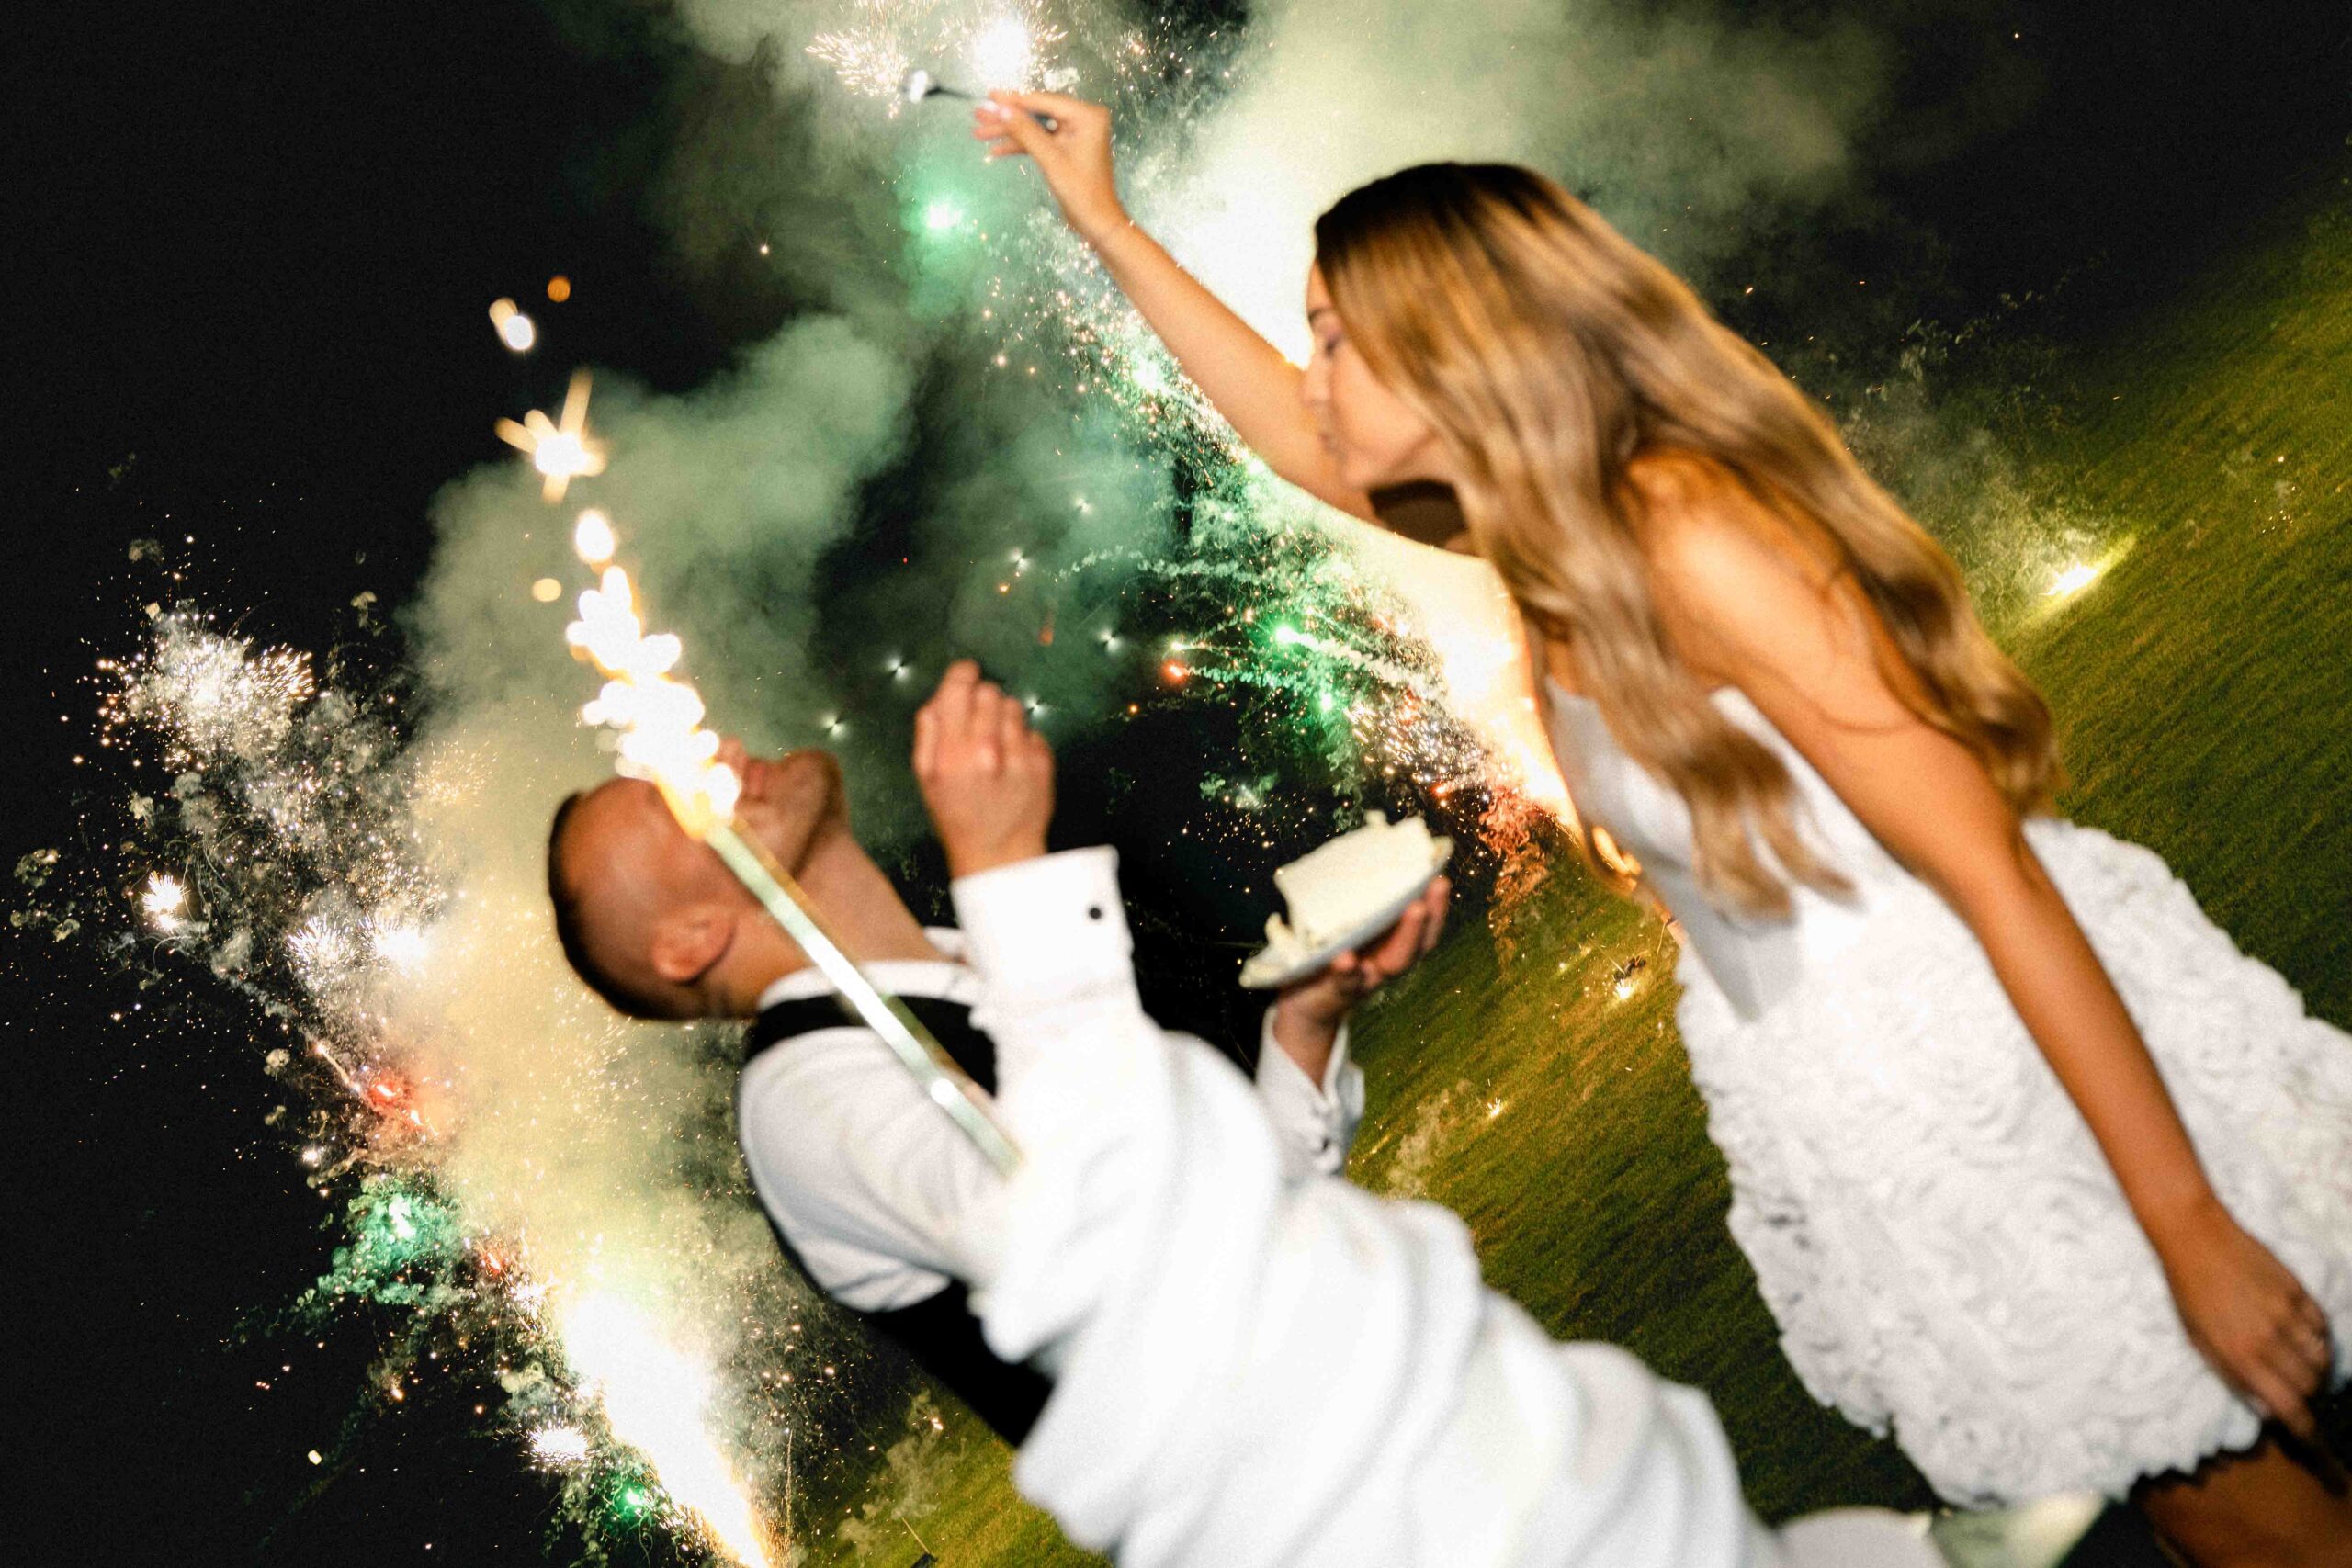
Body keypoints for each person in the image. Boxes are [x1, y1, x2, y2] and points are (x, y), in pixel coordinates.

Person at [973, 91, 2352, 1561]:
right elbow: (1297, 447)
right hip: (1874, 1095)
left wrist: (2183, 1221)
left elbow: (1994, 873)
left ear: (1452, 356)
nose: (1309, 373)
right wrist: (1107, 227)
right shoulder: (1550, 543)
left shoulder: (1685, 527)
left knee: (2271, 1530)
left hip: (2006, 1062)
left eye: (1330, 332)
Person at [909, 658, 1951, 1568]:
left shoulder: (945, 967)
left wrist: (1310, 1018)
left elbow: (1242, 1194)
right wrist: (1005, 871)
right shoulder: (830, 1102)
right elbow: (1118, 1256)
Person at [544, 679, 1445, 1442]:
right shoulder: (800, 1101)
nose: (715, 751)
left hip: (1399, 1397)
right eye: (668, 802)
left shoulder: (983, 963)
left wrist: (1304, 1026)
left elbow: (1228, 1225)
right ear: (691, 940)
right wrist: (1002, 859)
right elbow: (1096, 1243)